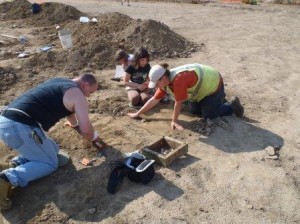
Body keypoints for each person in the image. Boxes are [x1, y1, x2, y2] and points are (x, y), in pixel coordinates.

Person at [0, 73, 106, 210]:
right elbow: (86, 130)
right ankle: (6, 179)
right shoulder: (78, 95)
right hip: (20, 127)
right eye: (90, 92)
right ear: (85, 84)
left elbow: (70, 112)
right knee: (50, 163)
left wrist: (74, 125)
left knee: (55, 150)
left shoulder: (60, 81)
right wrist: (94, 139)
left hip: (7, 121)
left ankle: (11, 164)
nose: (89, 96)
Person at [127, 63, 244, 130]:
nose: (155, 86)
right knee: (193, 111)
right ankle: (217, 101)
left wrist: (174, 121)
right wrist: (138, 114)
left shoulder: (178, 80)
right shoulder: (165, 83)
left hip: (213, 84)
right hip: (201, 90)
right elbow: (154, 100)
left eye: (156, 83)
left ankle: (231, 106)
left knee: (208, 116)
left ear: (163, 78)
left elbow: (178, 102)